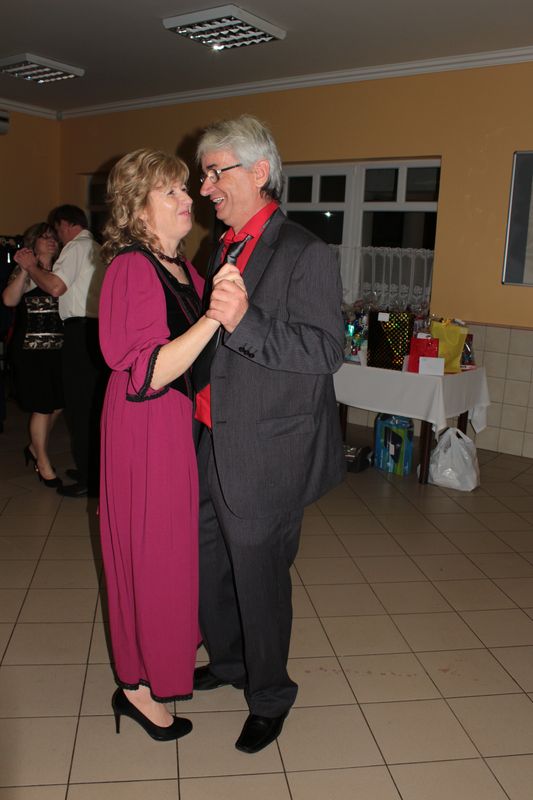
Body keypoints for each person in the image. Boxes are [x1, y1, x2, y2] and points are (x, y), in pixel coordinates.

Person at [193, 115, 346, 754]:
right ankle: (230, 662)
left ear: (259, 172)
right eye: (203, 175)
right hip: (209, 435)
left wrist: (247, 321)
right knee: (209, 565)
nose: (205, 187)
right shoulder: (220, 246)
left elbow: (327, 350)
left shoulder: (306, 252)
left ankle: (270, 696)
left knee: (259, 580)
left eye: (214, 172)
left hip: (266, 449)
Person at [98, 148, 226, 742]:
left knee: (171, 552)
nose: (187, 198)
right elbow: (146, 372)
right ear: (137, 208)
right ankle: (135, 687)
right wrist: (213, 318)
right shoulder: (132, 268)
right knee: (148, 553)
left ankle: (156, 662)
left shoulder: (181, 268)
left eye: (184, 188)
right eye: (170, 191)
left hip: (177, 424)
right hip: (146, 426)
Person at [15, 204, 107, 497]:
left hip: (79, 333)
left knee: (80, 409)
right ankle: (91, 470)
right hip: (91, 332)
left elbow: (56, 287)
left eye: (55, 231)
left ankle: (89, 479)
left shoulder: (75, 247)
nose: (56, 237)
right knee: (86, 405)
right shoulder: (97, 247)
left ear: (65, 224)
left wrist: (31, 267)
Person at [4, 223, 64, 487]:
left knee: (59, 403)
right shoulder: (26, 270)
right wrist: (26, 268)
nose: (50, 241)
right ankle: (43, 462)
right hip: (31, 350)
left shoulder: (61, 269)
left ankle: (34, 447)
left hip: (59, 348)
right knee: (42, 406)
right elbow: (9, 300)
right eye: (44, 237)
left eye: (53, 237)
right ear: (33, 242)